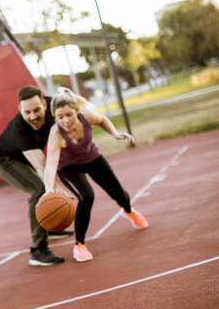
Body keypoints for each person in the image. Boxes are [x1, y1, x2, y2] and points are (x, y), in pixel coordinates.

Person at [43, 87, 149, 262]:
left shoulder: (87, 116)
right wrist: (49, 190)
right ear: (54, 116)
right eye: (60, 117)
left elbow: (102, 119)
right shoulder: (55, 133)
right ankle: (79, 245)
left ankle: (129, 211)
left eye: (69, 114)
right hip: (68, 167)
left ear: (77, 111)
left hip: (92, 158)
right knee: (87, 196)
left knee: (119, 194)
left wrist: (115, 134)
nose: (65, 120)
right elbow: (50, 165)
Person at [0, 85, 74, 267]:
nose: (33, 116)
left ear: (45, 104)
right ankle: (39, 250)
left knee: (47, 185)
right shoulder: (20, 129)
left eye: (37, 110)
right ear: (20, 110)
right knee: (38, 190)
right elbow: (40, 165)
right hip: (5, 160)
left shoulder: (55, 106)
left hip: (26, 156)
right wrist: (57, 188)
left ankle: (48, 227)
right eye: (27, 112)